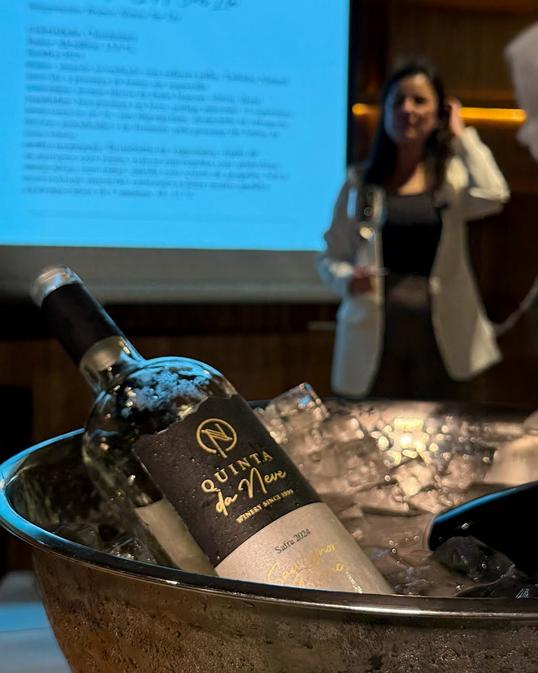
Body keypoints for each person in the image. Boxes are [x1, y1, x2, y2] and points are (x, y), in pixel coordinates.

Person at [318, 59, 510, 399]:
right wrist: (348, 279)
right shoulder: (360, 182)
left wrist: (462, 135)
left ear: (439, 112)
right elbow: (330, 256)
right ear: (385, 112)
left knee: (444, 423)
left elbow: (495, 194)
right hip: (376, 333)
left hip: (441, 333)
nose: (407, 109)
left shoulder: (452, 178)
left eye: (419, 100)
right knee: (372, 424)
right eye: (397, 101)